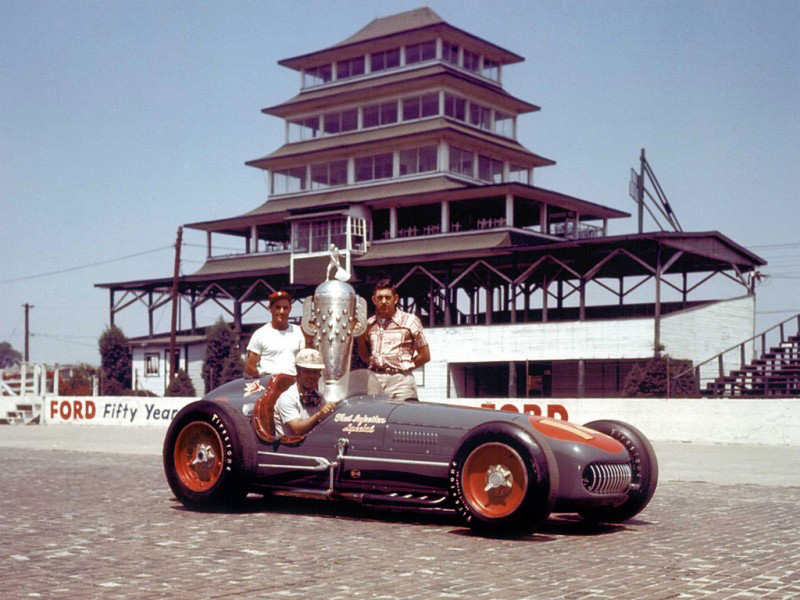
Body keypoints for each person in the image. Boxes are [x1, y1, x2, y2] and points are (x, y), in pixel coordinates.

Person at [357, 279, 430, 401]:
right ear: (374, 300)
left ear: (395, 299)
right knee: (374, 413)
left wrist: (405, 367)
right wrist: (361, 335)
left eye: (387, 297)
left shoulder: (410, 321)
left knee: (402, 412)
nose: (383, 301)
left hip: (401, 383)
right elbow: (365, 357)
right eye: (379, 298)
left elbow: (425, 355)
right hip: (375, 381)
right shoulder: (369, 324)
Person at [244, 290, 306, 379]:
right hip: (268, 380)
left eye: (285, 308)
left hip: (293, 381)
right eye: (278, 307)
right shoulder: (260, 334)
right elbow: (250, 366)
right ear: (270, 308)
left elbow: (306, 360)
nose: (282, 311)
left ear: (290, 309)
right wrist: (261, 380)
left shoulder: (299, 331)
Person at [274, 348, 336, 436]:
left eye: (315, 372)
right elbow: (298, 429)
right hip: (293, 444)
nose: (311, 376)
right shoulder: (287, 398)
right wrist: (319, 414)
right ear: (298, 372)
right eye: (306, 371)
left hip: (314, 441)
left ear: (319, 374)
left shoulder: (319, 396)